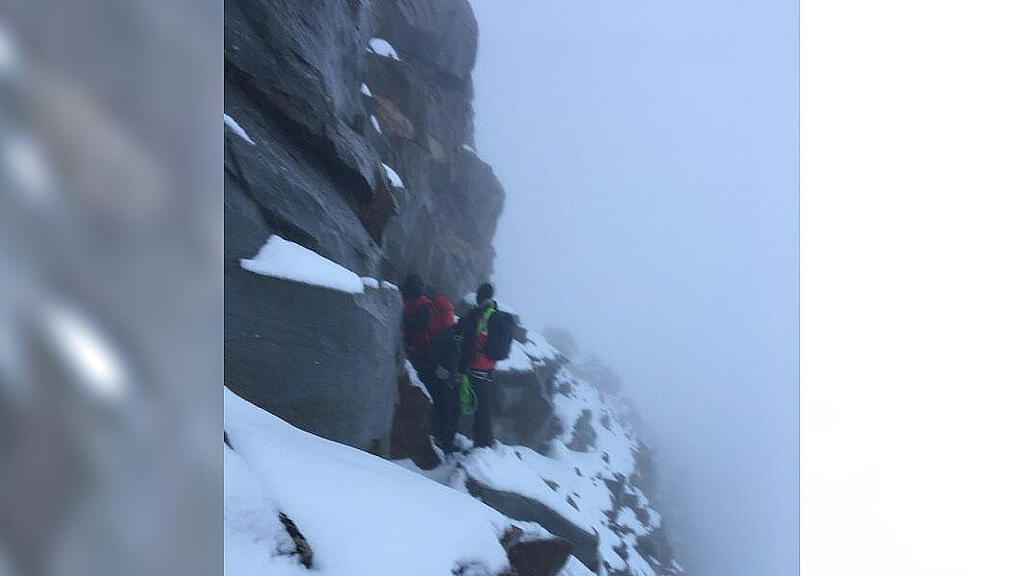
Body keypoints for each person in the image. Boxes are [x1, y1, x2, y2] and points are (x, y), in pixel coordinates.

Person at [401, 274, 457, 445]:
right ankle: (441, 434)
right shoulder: (427, 304)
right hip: (432, 356)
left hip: (427, 356)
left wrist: (405, 319)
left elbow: (420, 323)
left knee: (434, 395)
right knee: (439, 396)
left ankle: (438, 434)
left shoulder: (423, 305)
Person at [456, 282, 501, 448]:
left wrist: (461, 369)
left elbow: (467, 342)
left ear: (479, 296)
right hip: (489, 369)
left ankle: (482, 444)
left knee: (477, 408)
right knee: (483, 407)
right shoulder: (495, 313)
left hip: (475, 368)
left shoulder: (476, 315)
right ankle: (483, 442)